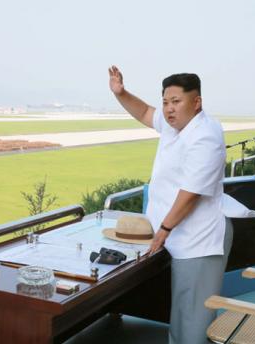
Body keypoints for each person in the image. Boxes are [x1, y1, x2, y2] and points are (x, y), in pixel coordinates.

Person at [108, 65, 233, 344]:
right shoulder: (175, 123)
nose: (168, 109)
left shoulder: (205, 135)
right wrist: (121, 92)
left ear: (196, 102)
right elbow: (143, 112)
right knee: (179, 314)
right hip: (176, 234)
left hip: (197, 241)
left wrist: (163, 229)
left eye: (176, 101)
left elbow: (191, 193)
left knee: (192, 321)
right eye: (165, 102)